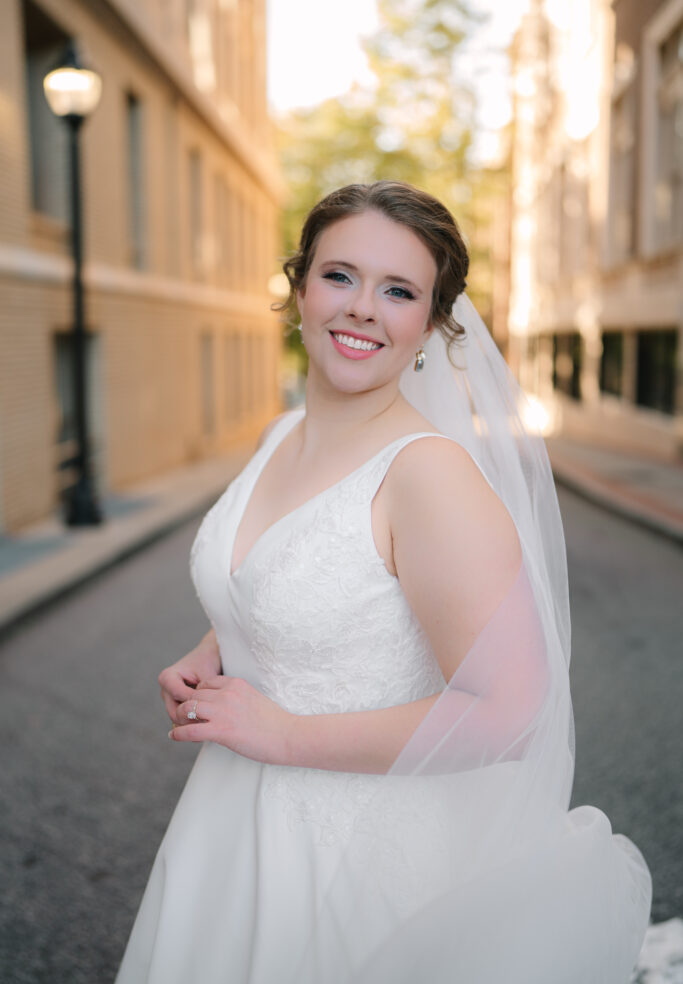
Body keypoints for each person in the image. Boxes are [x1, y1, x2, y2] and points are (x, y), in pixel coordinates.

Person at [115, 181, 652, 984]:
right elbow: (286, 575)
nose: (362, 307)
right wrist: (217, 648)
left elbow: (511, 714)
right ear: (299, 289)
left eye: (398, 290)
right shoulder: (282, 431)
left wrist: (285, 735)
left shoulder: (427, 477)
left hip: (356, 855)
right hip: (229, 815)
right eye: (339, 276)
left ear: (431, 324)